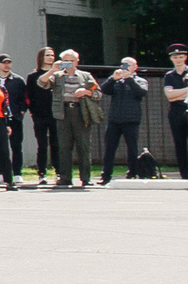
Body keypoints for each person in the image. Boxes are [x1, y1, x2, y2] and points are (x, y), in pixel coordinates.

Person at [48, 51, 99, 189]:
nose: (68, 63)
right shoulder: (57, 76)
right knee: (64, 146)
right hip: (63, 113)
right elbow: (42, 83)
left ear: (77, 62)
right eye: (65, 61)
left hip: (81, 112)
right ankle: (65, 178)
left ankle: (86, 178)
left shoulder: (85, 76)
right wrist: (52, 70)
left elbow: (98, 93)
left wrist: (86, 92)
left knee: (84, 146)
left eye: (71, 61)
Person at [99, 56, 148, 184]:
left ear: (135, 67)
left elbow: (141, 92)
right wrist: (112, 79)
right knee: (109, 148)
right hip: (114, 120)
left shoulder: (140, 80)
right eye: (123, 65)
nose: (125, 68)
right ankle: (106, 175)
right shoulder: (116, 81)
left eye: (129, 65)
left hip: (131, 120)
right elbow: (103, 90)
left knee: (132, 148)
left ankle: (132, 173)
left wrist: (129, 79)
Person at [27, 47, 62, 182]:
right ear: (41, 57)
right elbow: (29, 95)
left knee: (56, 144)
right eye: (47, 55)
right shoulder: (33, 76)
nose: (50, 58)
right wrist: (33, 112)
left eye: (52, 55)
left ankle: (58, 172)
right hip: (40, 115)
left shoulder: (59, 75)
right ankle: (42, 173)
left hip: (56, 114)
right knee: (42, 145)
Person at [164, 45, 188, 178]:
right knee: (179, 143)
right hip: (176, 112)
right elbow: (169, 95)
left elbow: (174, 94)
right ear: (171, 59)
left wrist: (177, 94)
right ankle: (184, 174)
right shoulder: (169, 75)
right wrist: (186, 91)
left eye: (180, 57)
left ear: (185, 57)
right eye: (175, 57)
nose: (178, 59)